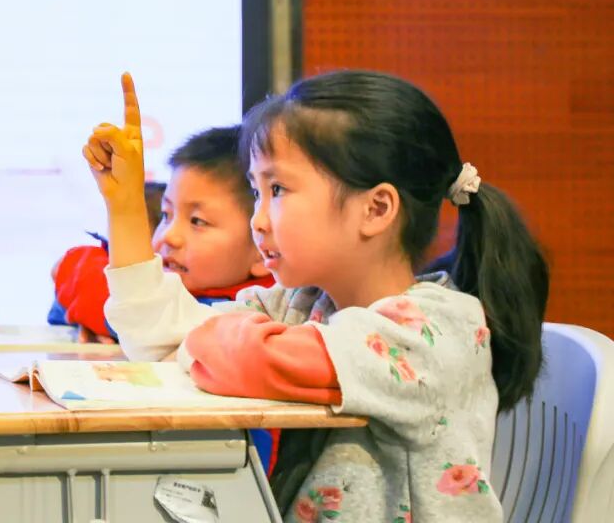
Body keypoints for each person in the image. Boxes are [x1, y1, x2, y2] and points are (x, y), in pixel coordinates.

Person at [84, 71, 548, 521]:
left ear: (376, 209)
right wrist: (124, 210)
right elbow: (162, 339)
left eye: (277, 189)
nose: (257, 220)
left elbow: (243, 358)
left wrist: (211, 337)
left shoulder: (430, 330)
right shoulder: (305, 304)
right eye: (256, 192)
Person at [50, 128, 272, 342]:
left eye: (198, 221)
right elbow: (69, 281)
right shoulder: (178, 281)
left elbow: (147, 318)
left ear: (261, 250)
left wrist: (105, 317)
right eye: (166, 215)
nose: (169, 236)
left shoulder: (261, 309)